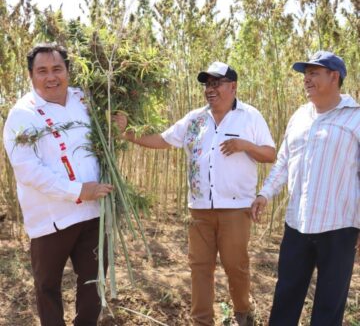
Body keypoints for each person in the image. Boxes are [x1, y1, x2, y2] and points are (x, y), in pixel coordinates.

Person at [114, 61, 276, 326]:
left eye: (217, 84)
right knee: (200, 267)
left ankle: (243, 313)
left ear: (233, 86)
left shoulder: (250, 116)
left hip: (236, 209)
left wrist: (244, 145)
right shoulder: (195, 119)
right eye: (207, 85)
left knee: (236, 265)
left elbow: (270, 154)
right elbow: (163, 140)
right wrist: (128, 134)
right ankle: (202, 321)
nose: (210, 89)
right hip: (199, 208)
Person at [3, 43, 113, 326]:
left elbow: (108, 133)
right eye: (42, 71)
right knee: (47, 286)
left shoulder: (84, 98)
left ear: (68, 71)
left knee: (94, 280)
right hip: (51, 218)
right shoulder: (22, 114)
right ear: (31, 75)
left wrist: (119, 122)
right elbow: (28, 170)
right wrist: (78, 190)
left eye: (57, 69)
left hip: (93, 213)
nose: (51, 77)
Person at [251, 50, 360, 326]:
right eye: (305, 74)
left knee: (329, 304)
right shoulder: (299, 116)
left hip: (339, 226)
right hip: (297, 224)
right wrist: (265, 193)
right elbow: (284, 162)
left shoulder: (355, 119)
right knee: (285, 296)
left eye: (313, 73)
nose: (306, 80)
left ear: (334, 77)